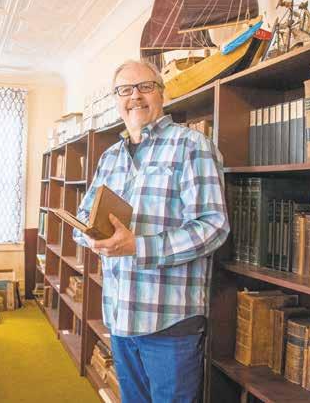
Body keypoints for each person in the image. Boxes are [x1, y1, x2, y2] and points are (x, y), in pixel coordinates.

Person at [73, 60, 229, 403]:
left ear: (162, 93)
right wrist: (90, 235)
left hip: (169, 323)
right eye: (125, 90)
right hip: (119, 315)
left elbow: (213, 227)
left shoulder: (192, 145)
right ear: (117, 99)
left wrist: (138, 247)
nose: (135, 96)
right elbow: (85, 214)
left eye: (145, 87)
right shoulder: (110, 157)